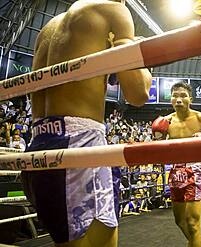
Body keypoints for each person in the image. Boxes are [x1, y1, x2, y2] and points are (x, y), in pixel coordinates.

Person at [20, 0, 152, 246]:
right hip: (79, 145)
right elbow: (138, 94)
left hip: (39, 143)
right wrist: (135, 48)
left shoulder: (49, 28)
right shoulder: (113, 10)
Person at [152, 81, 201, 247]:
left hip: (195, 168)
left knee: (193, 223)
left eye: (183, 96)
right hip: (175, 170)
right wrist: (157, 138)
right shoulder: (165, 122)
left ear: (190, 99)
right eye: (175, 96)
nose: (178, 99)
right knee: (179, 221)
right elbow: (159, 150)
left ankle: (196, 240)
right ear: (171, 99)